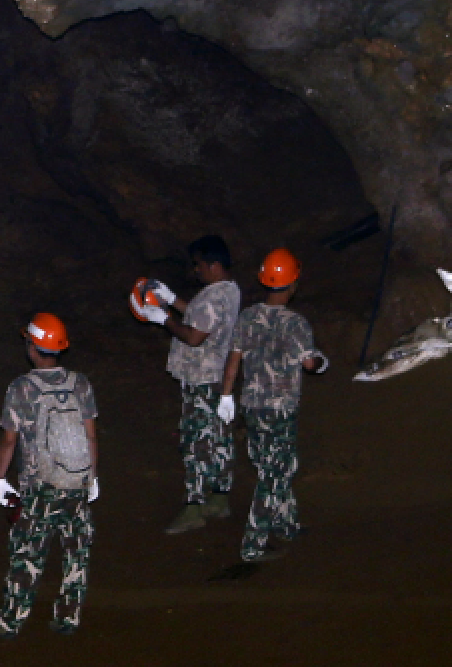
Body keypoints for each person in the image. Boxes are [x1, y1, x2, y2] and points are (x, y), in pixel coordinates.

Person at [0, 313, 99, 639]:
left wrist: (0, 478)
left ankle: (10, 620)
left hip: (41, 485)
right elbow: (90, 436)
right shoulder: (80, 383)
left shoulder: (22, 388)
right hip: (77, 480)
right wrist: (92, 477)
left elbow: (9, 439)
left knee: (28, 553)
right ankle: (69, 617)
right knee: (76, 551)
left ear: (32, 347)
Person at [222, 248, 328, 563]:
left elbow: (233, 361)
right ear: (293, 284)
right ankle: (253, 544)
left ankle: (286, 524)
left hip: (252, 406)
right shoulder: (295, 323)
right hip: (280, 408)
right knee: (274, 472)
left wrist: (226, 396)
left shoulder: (247, 316)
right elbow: (309, 363)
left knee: (278, 465)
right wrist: (321, 362)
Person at [132, 234, 242, 533]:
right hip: (218, 377)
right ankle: (219, 498)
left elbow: (194, 336)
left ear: (214, 266)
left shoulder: (214, 296)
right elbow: (200, 316)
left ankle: (194, 507)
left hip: (201, 380)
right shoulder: (228, 290)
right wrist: (171, 299)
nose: (196, 270)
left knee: (195, 442)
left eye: (199, 265)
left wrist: (163, 319)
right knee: (219, 438)